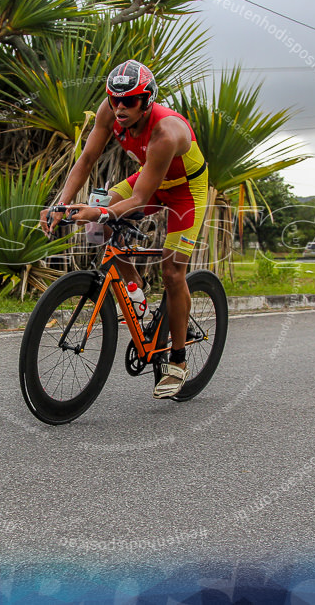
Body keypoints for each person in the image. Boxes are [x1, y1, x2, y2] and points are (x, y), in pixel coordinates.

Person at [39, 60, 208, 399]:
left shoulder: (164, 132)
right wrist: (61, 204)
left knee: (173, 271)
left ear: (147, 100)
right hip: (149, 176)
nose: (119, 108)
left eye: (129, 101)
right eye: (114, 99)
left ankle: (177, 361)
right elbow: (86, 160)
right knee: (95, 220)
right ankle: (134, 286)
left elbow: (140, 199)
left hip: (185, 191)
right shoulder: (110, 110)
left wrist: (98, 211)